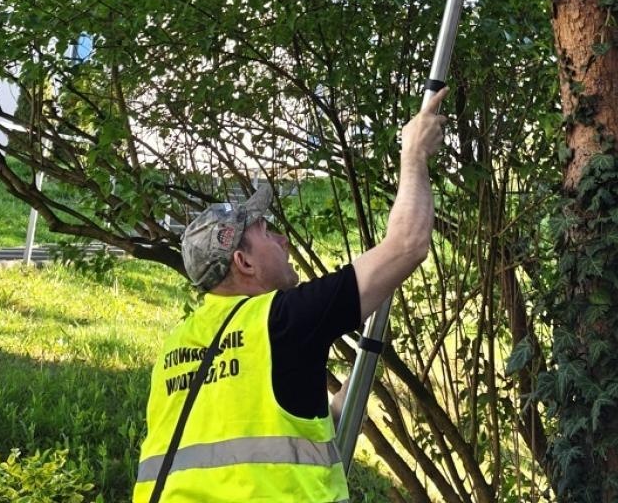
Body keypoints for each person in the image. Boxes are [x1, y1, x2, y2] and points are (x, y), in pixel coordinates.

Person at [133, 88, 447, 503]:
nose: (282, 239)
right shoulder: (279, 321)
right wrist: (414, 153)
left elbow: (271, 437)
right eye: (266, 233)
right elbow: (407, 244)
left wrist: (348, 396)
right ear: (244, 262)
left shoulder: (177, 347)